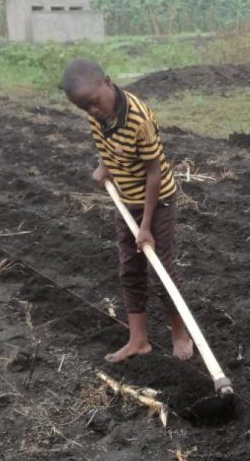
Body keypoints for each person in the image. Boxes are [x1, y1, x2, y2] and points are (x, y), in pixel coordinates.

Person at [62, 59, 193, 363]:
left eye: (95, 103)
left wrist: (145, 225)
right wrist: (104, 165)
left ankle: (180, 333)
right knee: (130, 269)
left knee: (161, 270)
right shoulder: (97, 117)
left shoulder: (139, 119)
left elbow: (154, 173)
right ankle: (138, 340)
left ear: (107, 82)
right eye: (85, 109)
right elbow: (105, 144)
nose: (94, 112)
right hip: (126, 200)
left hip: (156, 202)